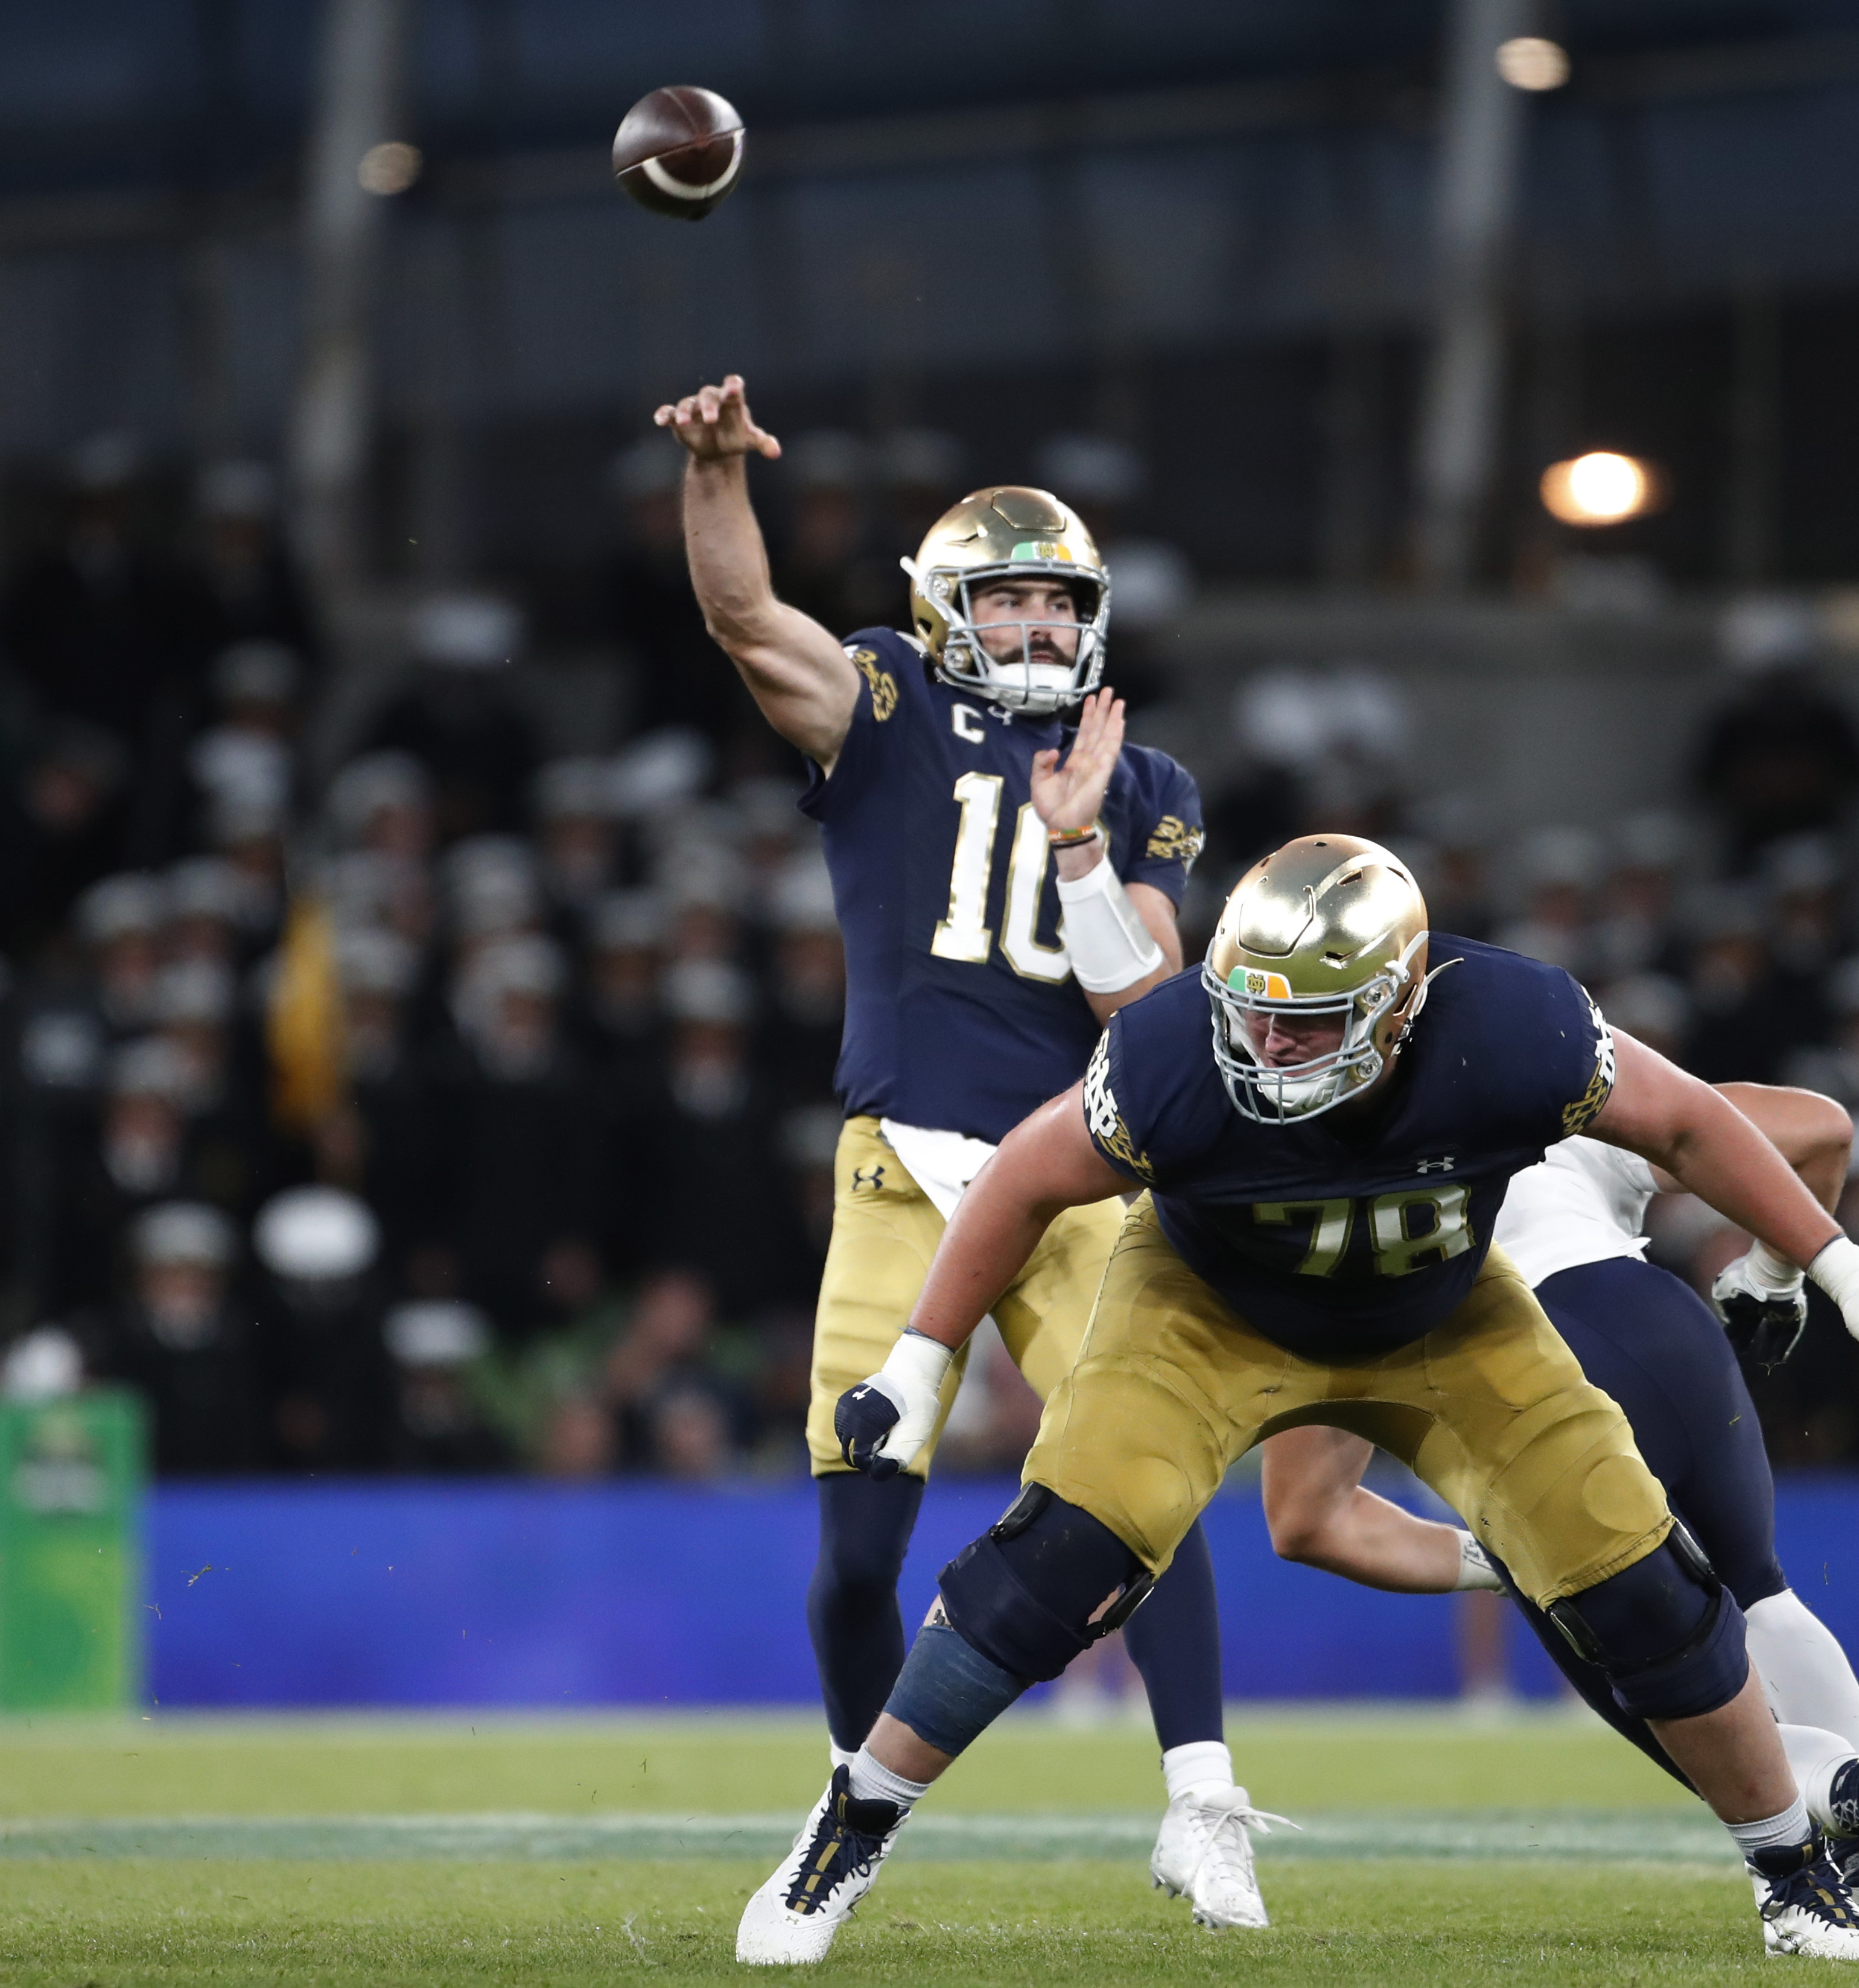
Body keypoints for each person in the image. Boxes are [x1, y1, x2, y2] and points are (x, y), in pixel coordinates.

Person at [739, 834, 1859, 1966]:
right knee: (1059, 1555)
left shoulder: (1514, 1024)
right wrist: (915, 1363)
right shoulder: (1178, 1050)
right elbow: (1022, 1179)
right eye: (1253, 1011)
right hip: (1207, 1310)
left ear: (1398, 1005)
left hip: (1440, 1314)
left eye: (1307, 1022)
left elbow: (1687, 1124)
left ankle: (1794, 1878)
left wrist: (1838, 1264)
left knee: (1645, 1585)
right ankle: (848, 1826)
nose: (1266, 1043)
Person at [653, 376, 1257, 1926]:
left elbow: (1153, 1006)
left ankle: (1203, 1797)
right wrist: (718, 475)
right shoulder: (884, 702)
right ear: (941, 612)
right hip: (898, 1166)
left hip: (1076, 1163)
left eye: (1063, 604)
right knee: (861, 1540)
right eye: (1010, 601)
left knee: (1145, 1486)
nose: (1044, 629)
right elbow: (743, 616)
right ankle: (859, 1804)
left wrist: (1077, 849)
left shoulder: (1148, 782)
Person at [1254, 1087, 1859, 1945]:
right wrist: (1774, 1274)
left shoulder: (1323, 1207)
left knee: (1669, 1694)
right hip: (1660, 1324)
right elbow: (1823, 1132)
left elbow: (1307, 1520)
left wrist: (1502, 1558)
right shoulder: (1533, 1094)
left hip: (1531, 1374)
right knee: (1762, 1591)